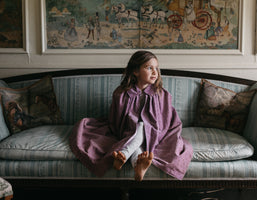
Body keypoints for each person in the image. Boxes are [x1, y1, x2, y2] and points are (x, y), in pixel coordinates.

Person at [69, 50, 193, 181]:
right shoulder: (122, 93)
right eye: (149, 68)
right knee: (138, 129)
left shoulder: (161, 94)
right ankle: (137, 165)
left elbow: (164, 120)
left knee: (142, 127)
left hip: (155, 133)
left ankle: (123, 155)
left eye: (156, 68)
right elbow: (116, 121)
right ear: (136, 71)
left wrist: (146, 127)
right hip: (126, 132)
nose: (155, 72)